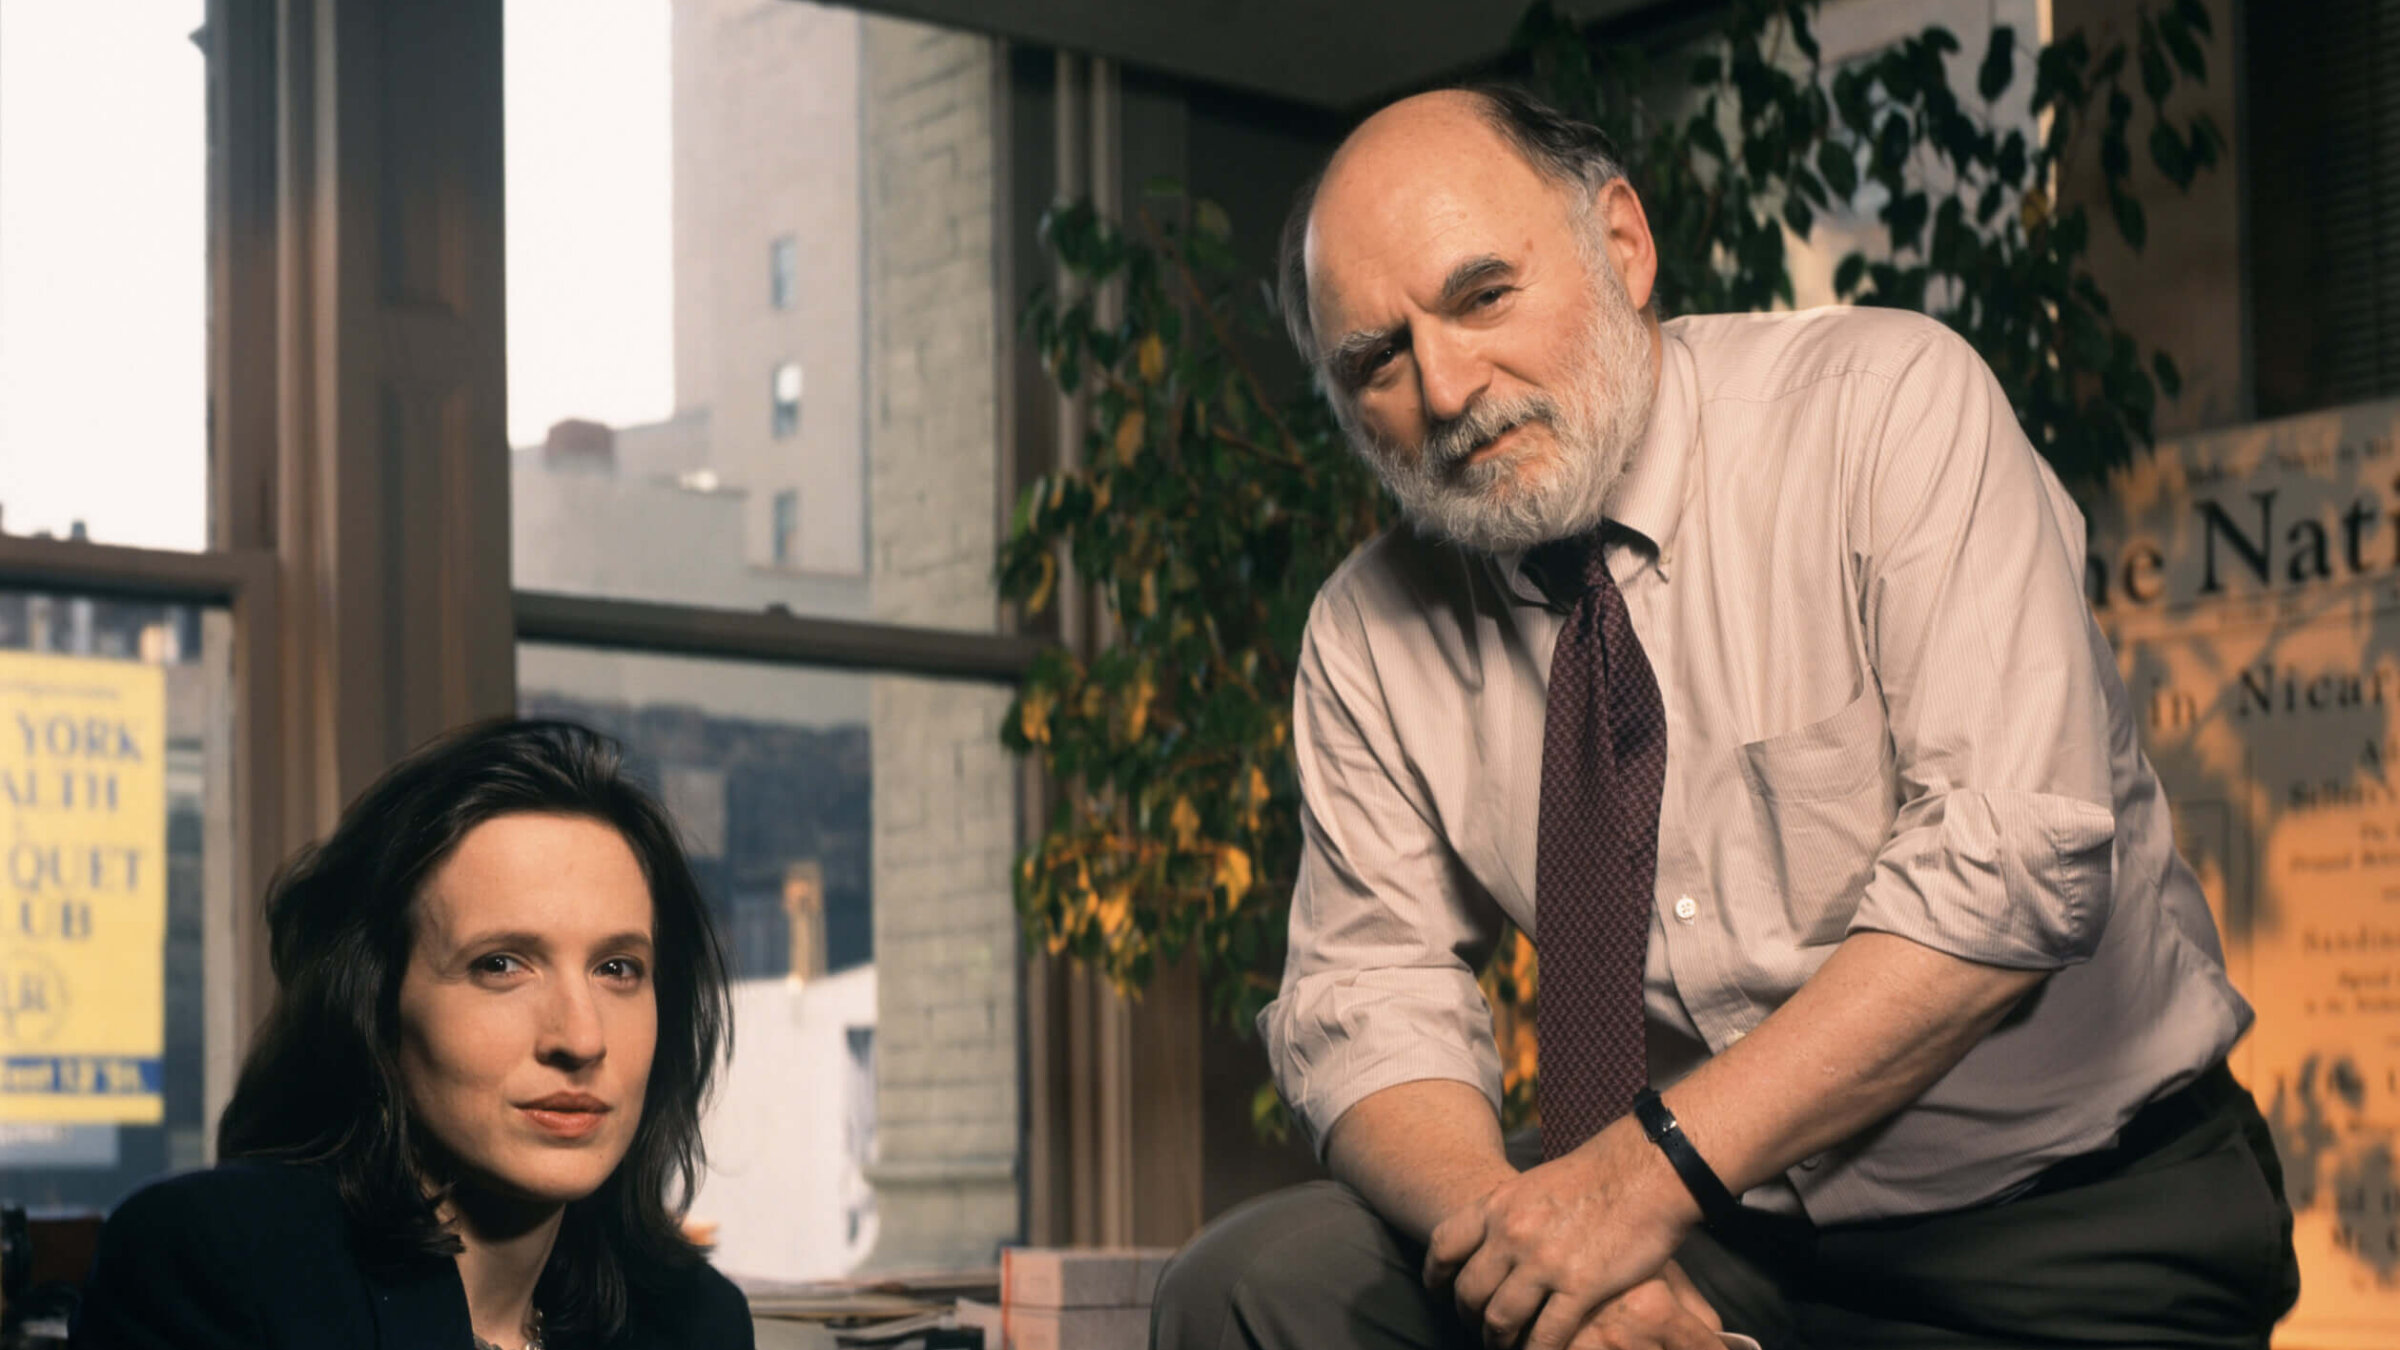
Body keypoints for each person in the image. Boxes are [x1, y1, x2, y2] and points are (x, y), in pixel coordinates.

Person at [1152, 85, 2300, 1350]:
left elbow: (2011, 872)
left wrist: (1633, 1189)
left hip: (2071, 1215)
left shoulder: (1887, 406)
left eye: (1483, 296)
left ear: (1623, 247)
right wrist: (1552, 1253)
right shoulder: (1368, 631)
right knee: (1253, 1283)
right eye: (1376, 357)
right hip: (1726, 1229)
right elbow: (1366, 998)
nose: (1446, 385)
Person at [74, 719, 754, 1350]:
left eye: (617, 968)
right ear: (376, 1002)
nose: (580, 1038)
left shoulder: (693, 1322)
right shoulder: (214, 1267)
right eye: (502, 965)